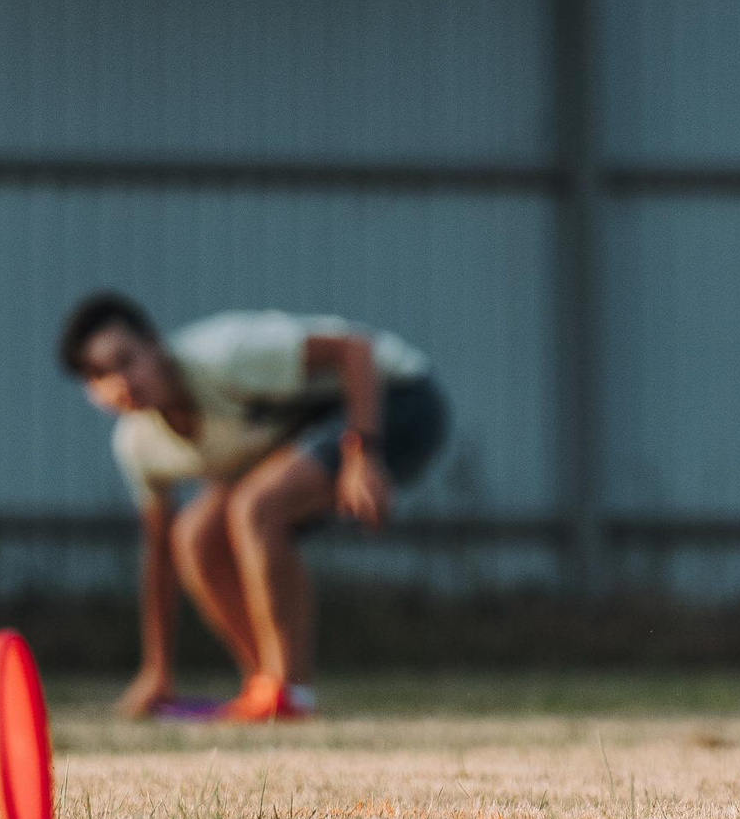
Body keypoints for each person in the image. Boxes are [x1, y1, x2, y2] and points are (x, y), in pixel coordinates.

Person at [58, 294, 448, 722]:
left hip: (395, 398)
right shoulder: (138, 447)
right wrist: (158, 670)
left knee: (256, 507)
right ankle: (268, 684)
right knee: (193, 536)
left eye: (125, 359)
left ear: (154, 344)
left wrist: (364, 453)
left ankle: (291, 693)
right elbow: (160, 560)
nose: (120, 382)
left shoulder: (222, 356)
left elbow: (354, 348)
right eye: (99, 375)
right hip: (308, 428)